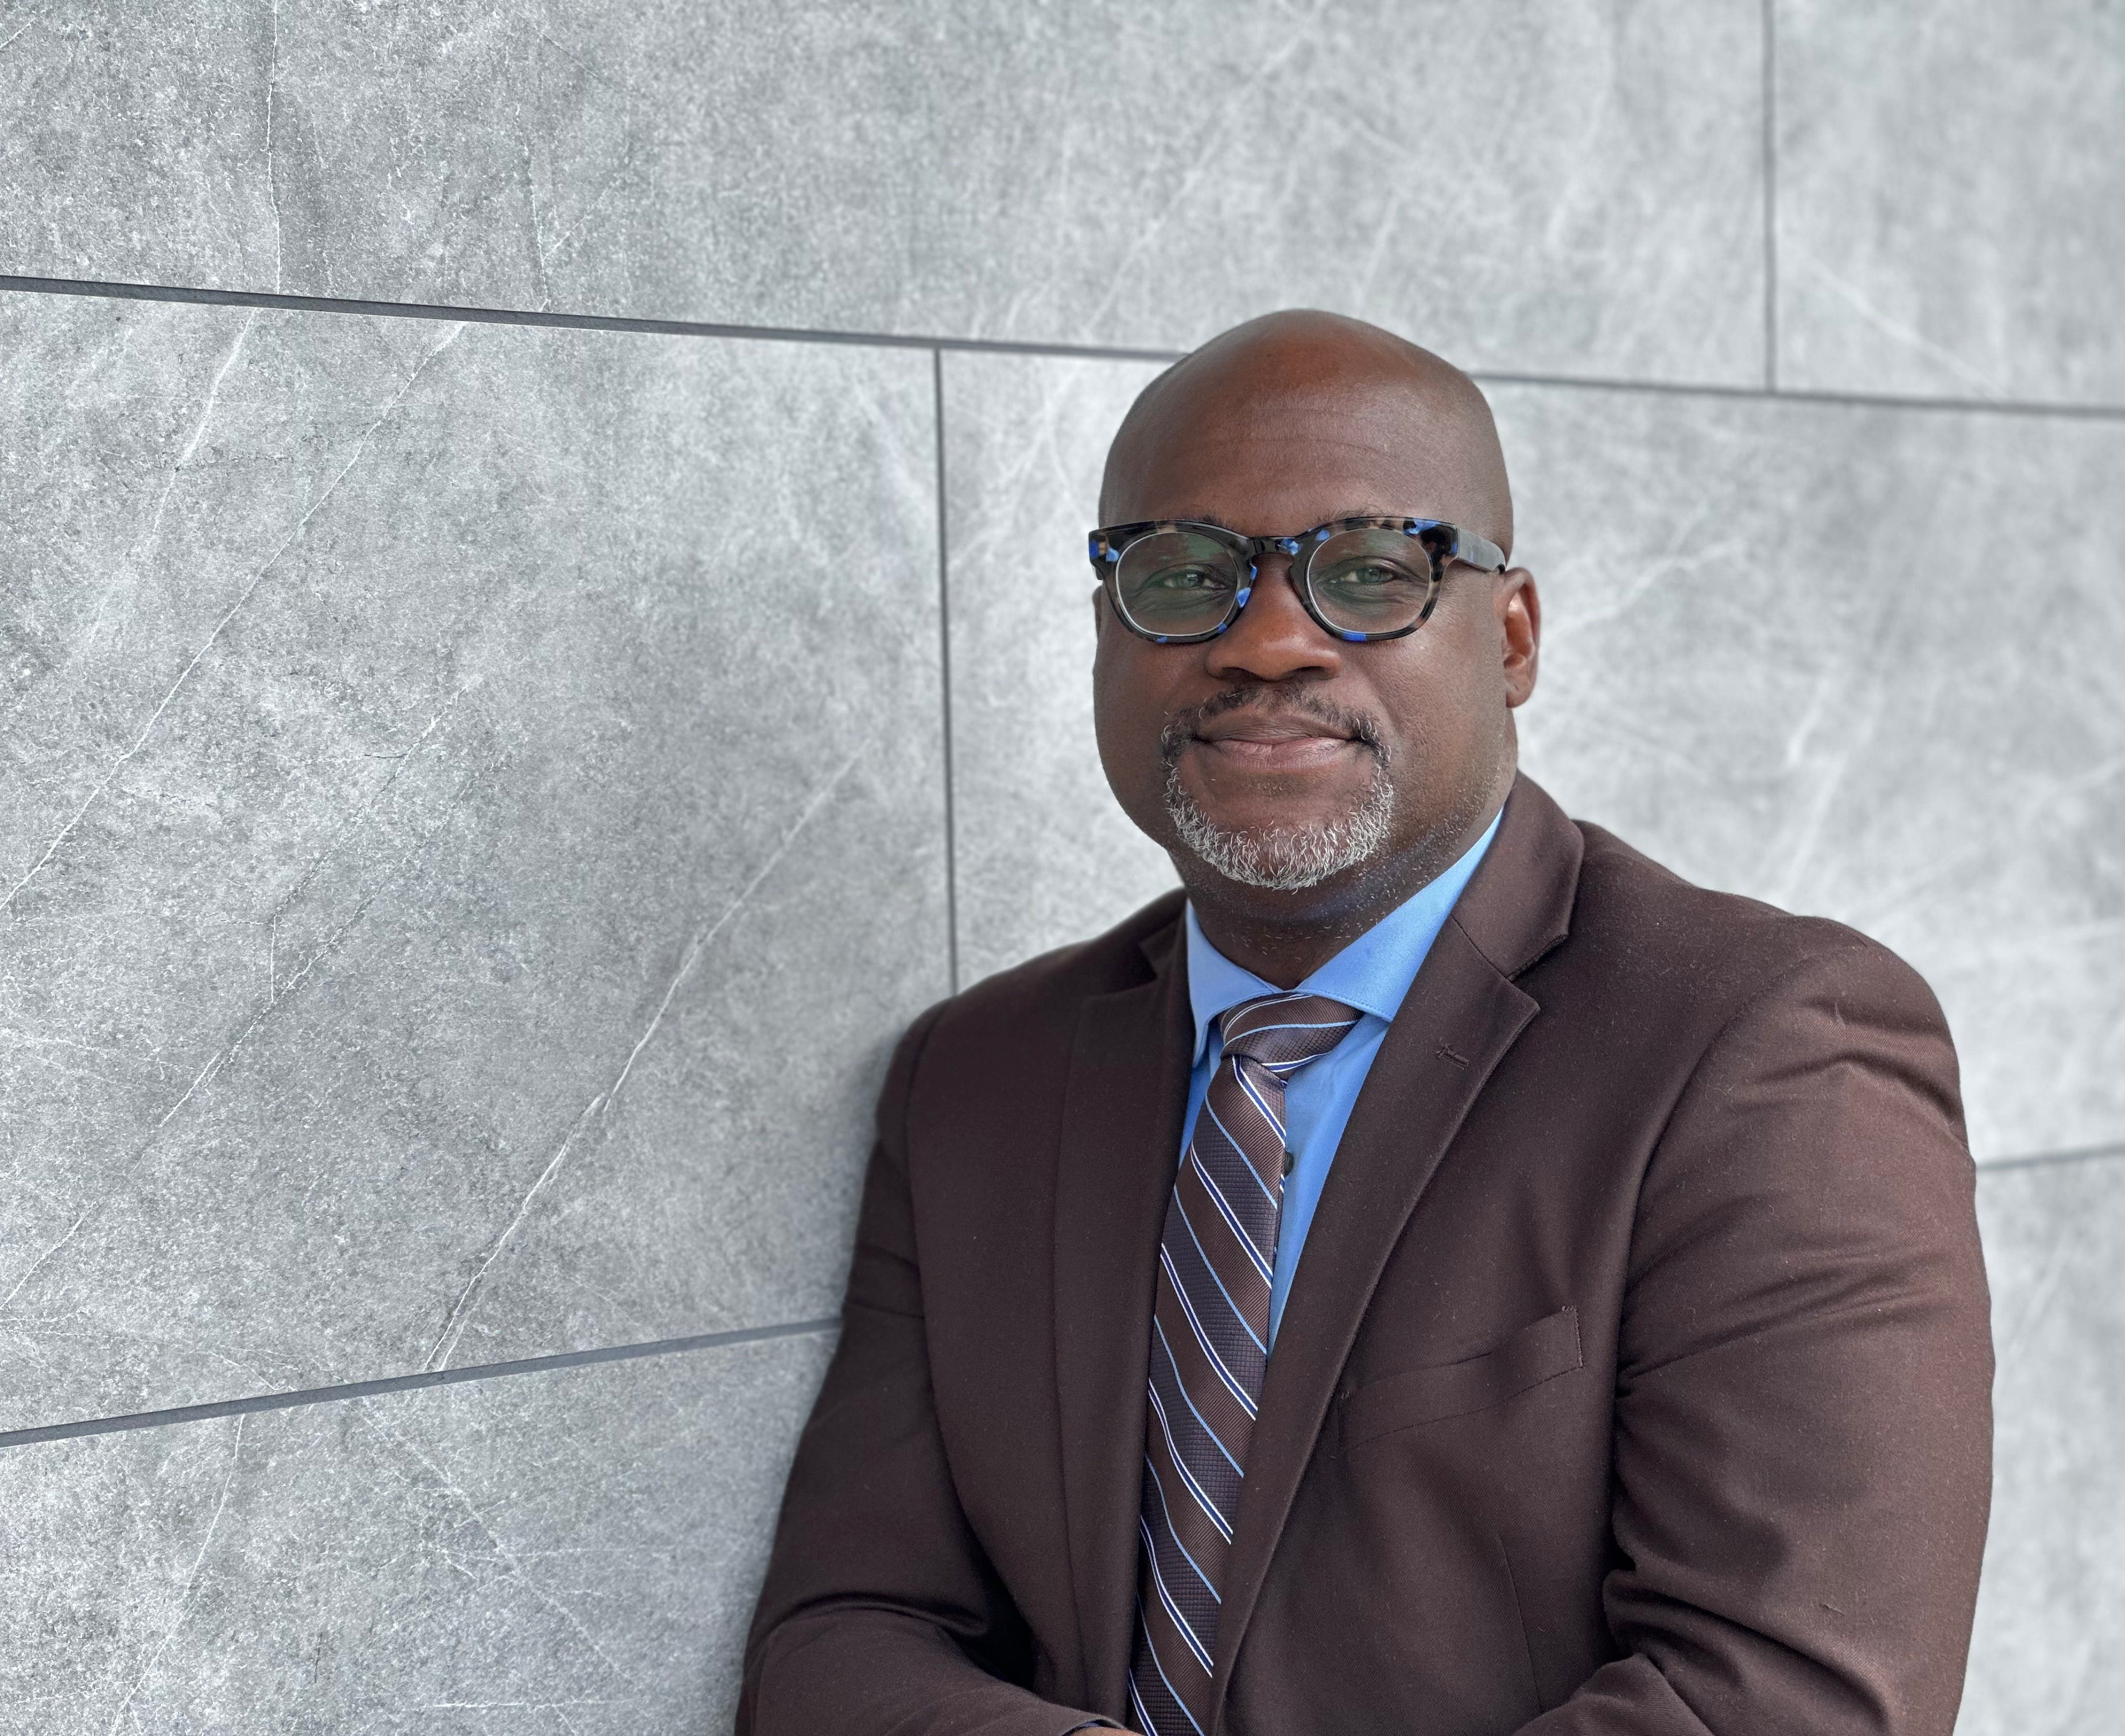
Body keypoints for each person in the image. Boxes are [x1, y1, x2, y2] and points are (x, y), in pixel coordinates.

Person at [736, 311, 1992, 1735]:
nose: (1269, 641)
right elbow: (838, 1647)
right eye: (1183, 574)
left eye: (1370, 572)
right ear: (1104, 634)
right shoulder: (979, 1078)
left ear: (1511, 638)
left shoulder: (1764, 1049)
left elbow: (1789, 1700)